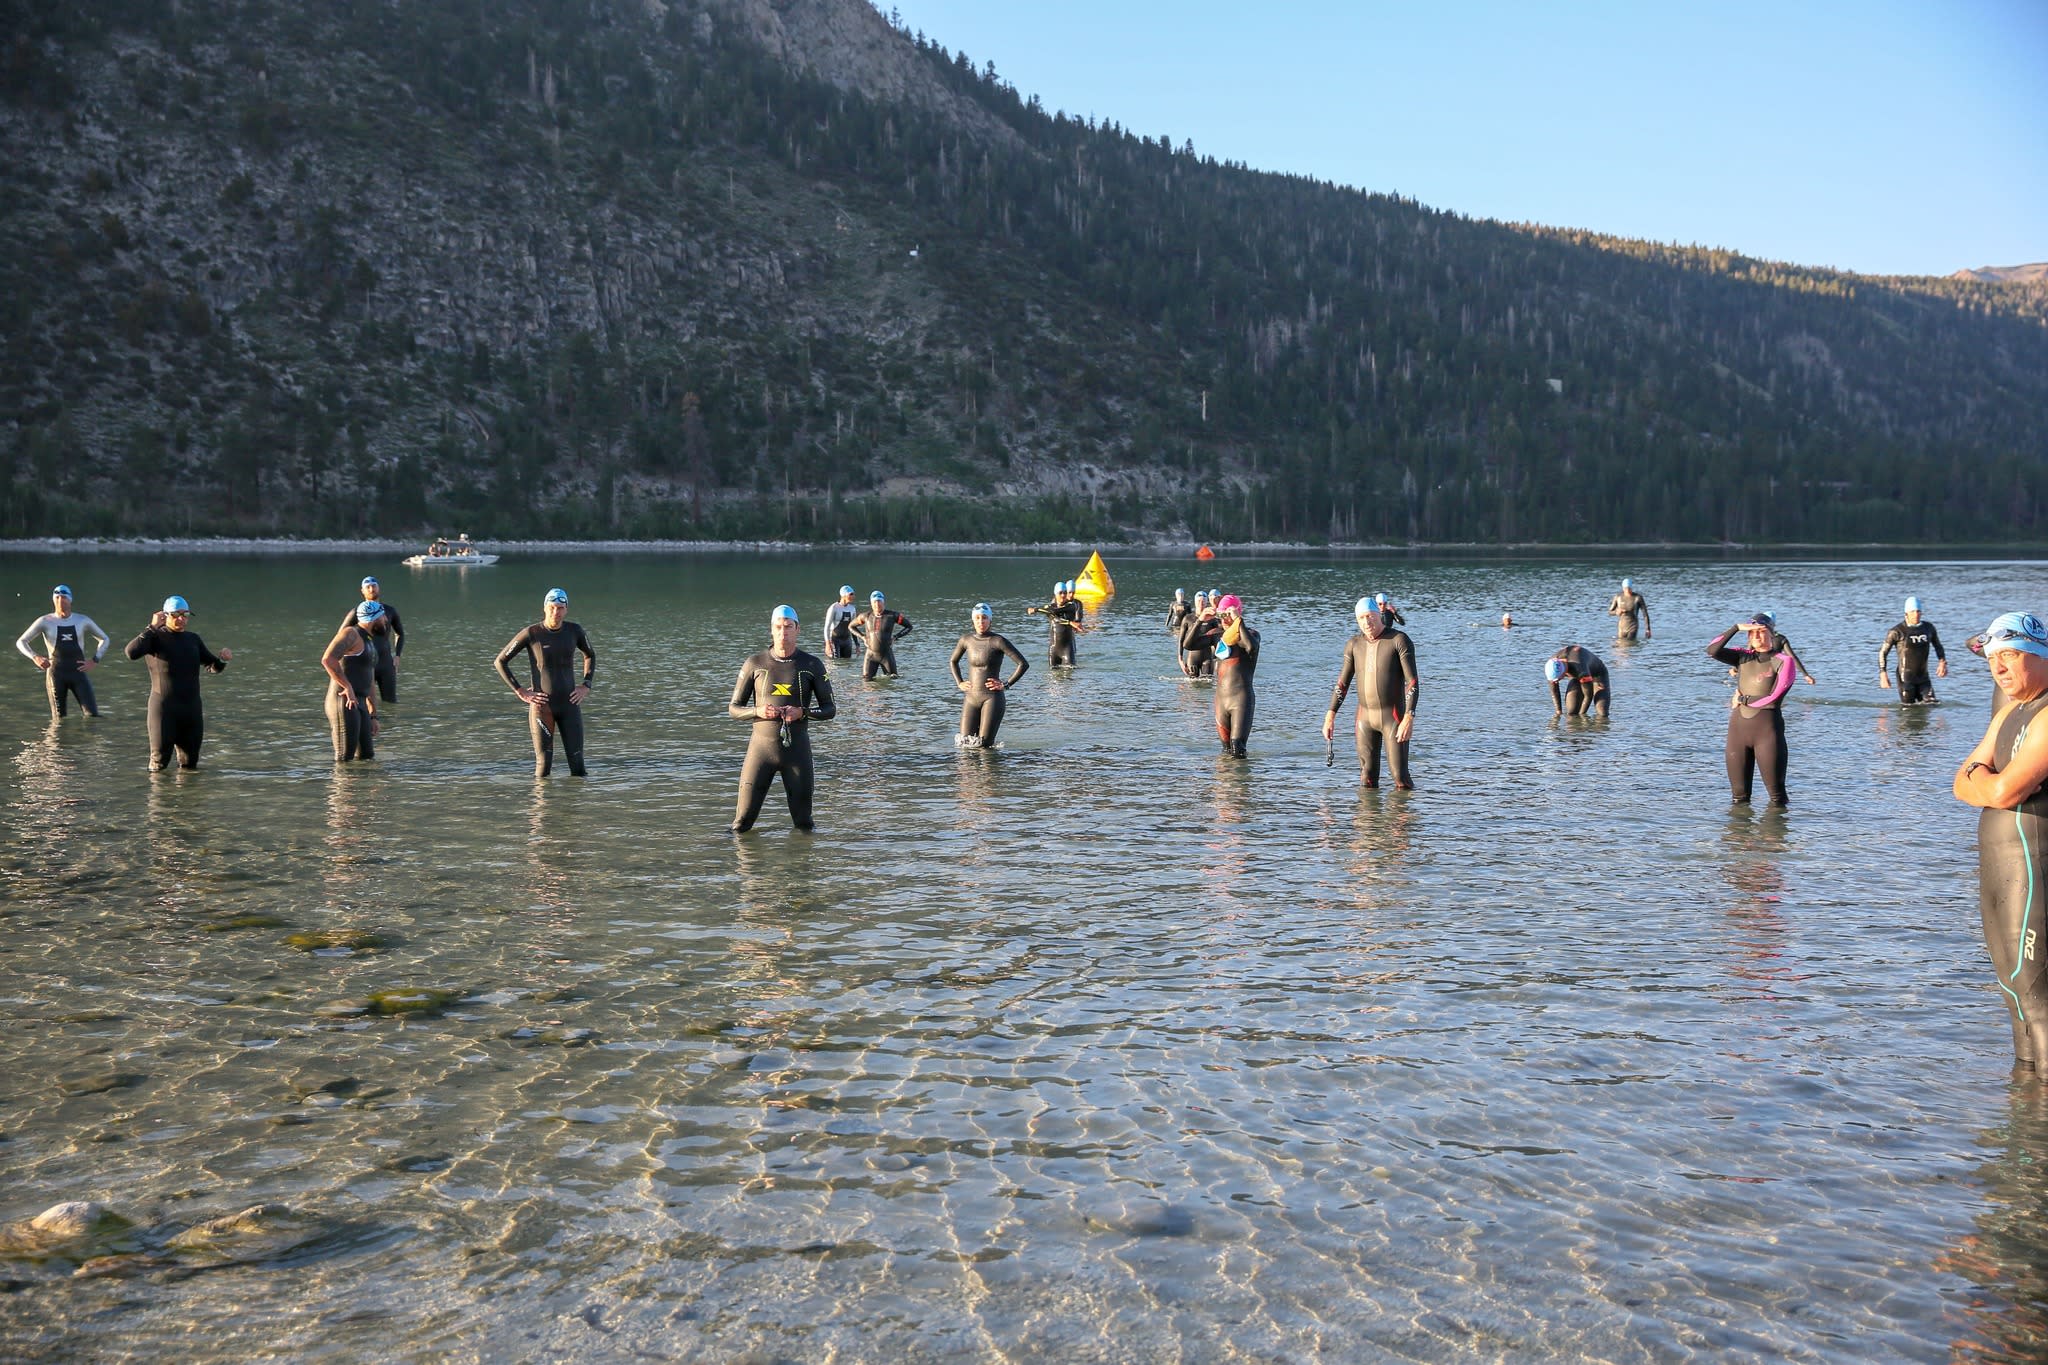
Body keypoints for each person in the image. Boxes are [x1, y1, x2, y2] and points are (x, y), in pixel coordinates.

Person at [1951, 612, 2048, 1069]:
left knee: (2039, 998)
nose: (1999, 667)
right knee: (2014, 995)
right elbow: (1959, 783)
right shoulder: (2011, 711)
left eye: (2011, 655)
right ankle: (2025, 1116)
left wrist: (1987, 783)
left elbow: (2005, 790)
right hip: (2000, 871)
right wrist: (1987, 783)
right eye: (1993, 658)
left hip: (2035, 867)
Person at [728, 604, 836, 831]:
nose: (782, 632)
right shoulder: (755, 663)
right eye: (778, 627)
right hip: (761, 752)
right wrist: (758, 711)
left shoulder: (811, 665)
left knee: (804, 824)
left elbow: (830, 709)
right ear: (771, 629)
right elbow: (734, 709)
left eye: (788, 627)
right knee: (742, 823)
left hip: (797, 753)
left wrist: (803, 712)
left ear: (798, 630)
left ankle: (803, 866)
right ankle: (741, 866)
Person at [494, 588, 595, 778]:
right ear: (545, 608)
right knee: (543, 769)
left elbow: (590, 655)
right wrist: (520, 690)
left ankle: (576, 807)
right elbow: (500, 661)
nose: (556, 612)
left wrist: (585, 685)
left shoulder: (575, 631)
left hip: (570, 705)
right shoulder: (532, 633)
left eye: (560, 608)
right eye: (552, 607)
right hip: (542, 707)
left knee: (579, 768)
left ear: (566, 610)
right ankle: (541, 808)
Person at [124, 595, 230, 771]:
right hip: (164, 710)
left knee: (190, 765)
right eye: (176, 614)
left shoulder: (193, 639)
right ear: (165, 615)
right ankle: (159, 798)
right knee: (159, 765)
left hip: (191, 711)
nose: (181, 619)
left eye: (185, 615)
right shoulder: (154, 637)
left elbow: (212, 666)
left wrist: (222, 660)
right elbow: (131, 652)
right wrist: (151, 627)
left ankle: (187, 799)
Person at [1323, 600, 1419, 788]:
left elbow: (1412, 683)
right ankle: (1368, 818)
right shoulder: (1354, 644)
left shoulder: (1398, 640)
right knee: (1367, 778)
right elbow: (1342, 684)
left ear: (1379, 615)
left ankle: (1405, 816)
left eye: (1370, 616)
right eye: (1361, 618)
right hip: (1364, 718)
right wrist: (1330, 715)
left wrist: (1409, 717)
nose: (1366, 622)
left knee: (1400, 777)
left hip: (1393, 717)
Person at [1708, 613, 1795, 806]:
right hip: (1738, 731)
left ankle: (1776, 834)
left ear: (1772, 635)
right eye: (1752, 633)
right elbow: (1712, 650)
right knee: (1739, 798)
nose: (1756, 637)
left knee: (1777, 797)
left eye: (1761, 632)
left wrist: (1742, 698)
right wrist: (1736, 628)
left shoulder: (1783, 661)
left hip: (1767, 732)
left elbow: (1773, 699)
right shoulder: (1743, 657)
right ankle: (1739, 836)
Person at [1183, 593, 1261, 756]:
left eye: (1227, 615)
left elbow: (1251, 648)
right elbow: (1189, 644)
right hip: (1221, 700)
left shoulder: (1251, 634)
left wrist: (1239, 621)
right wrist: (1200, 620)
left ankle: (1242, 782)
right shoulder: (1217, 634)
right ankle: (1223, 781)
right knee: (1226, 751)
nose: (1224, 619)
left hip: (1241, 700)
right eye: (1221, 615)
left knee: (1238, 748)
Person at [17, 584, 110, 718]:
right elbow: (21, 642)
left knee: (93, 716)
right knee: (59, 720)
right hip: (56, 675)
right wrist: (35, 657)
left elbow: (105, 639)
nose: (60, 601)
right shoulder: (45, 621)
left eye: (64, 598)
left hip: (78, 674)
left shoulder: (82, 620)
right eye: (57, 598)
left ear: (70, 600)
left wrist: (95, 660)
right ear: (53, 600)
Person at [949, 603, 1029, 748]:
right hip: (971, 698)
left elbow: (1023, 664)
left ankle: (989, 771)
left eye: (984, 618)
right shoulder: (966, 640)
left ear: (990, 620)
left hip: (992, 699)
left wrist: (1006, 684)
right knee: (964, 744)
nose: (981, 621)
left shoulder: (998, 641)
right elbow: (953, 661)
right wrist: (959, 682)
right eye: (978, 618)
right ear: (973, 620)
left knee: (984, 746)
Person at [320, 604, 381, 762]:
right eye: (383, 616)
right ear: (374, 618)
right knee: (344, 758)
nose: (386, 620)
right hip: (343, 701)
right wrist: (347, 686)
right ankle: (343, 787)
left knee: (367, 756)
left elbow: (370, 680)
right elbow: (328, 659)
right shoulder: (351, 634)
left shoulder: (369, 641)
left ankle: (363, 787)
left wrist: (373, 715)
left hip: (360, 702)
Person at [339, 576, 403, 703]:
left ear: (379, 588)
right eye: (367, 587)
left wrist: (397, 656)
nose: (371, 588)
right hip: (366, 662)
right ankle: (372, 719)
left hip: (386, 663)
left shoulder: (389, 611)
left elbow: (400, 633)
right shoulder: (358, 612)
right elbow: (341, 635)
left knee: (391, 703)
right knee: (366, 701)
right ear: (362, 591)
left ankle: (391, 723)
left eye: (374, 585)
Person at [1879, 596, 1948, 704]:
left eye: (1918, 611)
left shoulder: (1928, 628)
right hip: (1905, 679)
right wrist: (1883, 673)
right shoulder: (1897, 631)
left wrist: (1942, 662)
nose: (1916, 614)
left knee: (1932, 704)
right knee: (1909, 710)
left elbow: (1938, 645)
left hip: (1923, 678)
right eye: (1913, 611)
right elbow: (1883, 653)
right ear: (1906, 613)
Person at [850, 590, 913, 680]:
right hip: (870, 655)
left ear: (883, 602)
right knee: (866, 681)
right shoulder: (865, 616)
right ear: (871, 603)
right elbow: (851, 626)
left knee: (893, 680)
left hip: (886, 655)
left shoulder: (892, 616)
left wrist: (895, 637)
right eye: (874, 602)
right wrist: (863, 637)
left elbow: (909, 627)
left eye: (879, 601)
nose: (877, 604)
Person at [1546, 645, 1611, 718]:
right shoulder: (1550, 665)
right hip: (1576, 676)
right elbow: (1554, 690)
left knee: (1602, 713)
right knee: (1571, 713)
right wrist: (1558, 712)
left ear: (1564, 673)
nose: (1557, 681)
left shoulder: (1581, 671)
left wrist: (1582, 716)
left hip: (1597, 674)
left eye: (1558, 679)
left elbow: (1588, 696)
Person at [1028, 581, 1082, 667]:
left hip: (1066, 649)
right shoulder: (1050, 607)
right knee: (1052, 677)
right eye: (1060, 593)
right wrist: (1070, 622)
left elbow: (1054, 612)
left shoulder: (1071, 606)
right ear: (1055, 594)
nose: (1063, 595)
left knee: (1069, 677)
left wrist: (1036, 609)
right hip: (1053, 650)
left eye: (1065, 593)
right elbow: (1055, 617)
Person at [1179, 591, 1216, 677]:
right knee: (1192, 686)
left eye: (1203, 601)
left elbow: (1216, 640)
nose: (1201, 603)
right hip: (1192, 658)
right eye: (1199, 601)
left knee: (1207, 683)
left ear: (1206, 602)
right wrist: (1180, 659)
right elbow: (1181, 640)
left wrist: (1216, 660)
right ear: (1195, 602)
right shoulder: (1188, 618)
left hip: (1207, 658)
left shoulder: (1212, 619)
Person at [823, 585, 859, 661]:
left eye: (853, 594)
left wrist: (857, 644)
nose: (853, 596)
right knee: (836, 664)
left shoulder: (852, 609)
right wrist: (828, 644)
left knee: (847, 665)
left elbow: (853, 627)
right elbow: (827, 627)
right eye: (851, 594)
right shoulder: (834, 608)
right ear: (844, 595)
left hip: (847, 640)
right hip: (835, 640)